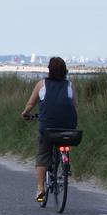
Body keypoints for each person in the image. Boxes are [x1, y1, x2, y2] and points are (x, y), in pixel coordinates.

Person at [21, 56, 78, 204]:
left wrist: (25, 113)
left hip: (47, 127)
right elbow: (74, 106)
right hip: (68, 127)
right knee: (62, 144)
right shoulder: (69, 86)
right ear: (65, 71)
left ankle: (40, 190)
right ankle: (65, 164)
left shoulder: (42, 84)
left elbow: (30, 104)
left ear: (49, 70)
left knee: (43, 154)